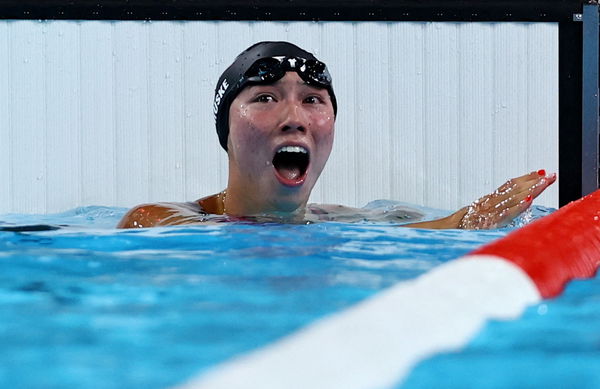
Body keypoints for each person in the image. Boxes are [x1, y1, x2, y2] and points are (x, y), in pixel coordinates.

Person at [117, 41, 556, 229]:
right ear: (226, 131)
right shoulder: (156, 222)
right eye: (266, 98)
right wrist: (461, 223)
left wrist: (470, 221)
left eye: (312, 100)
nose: (295, 117)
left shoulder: (357, 221)